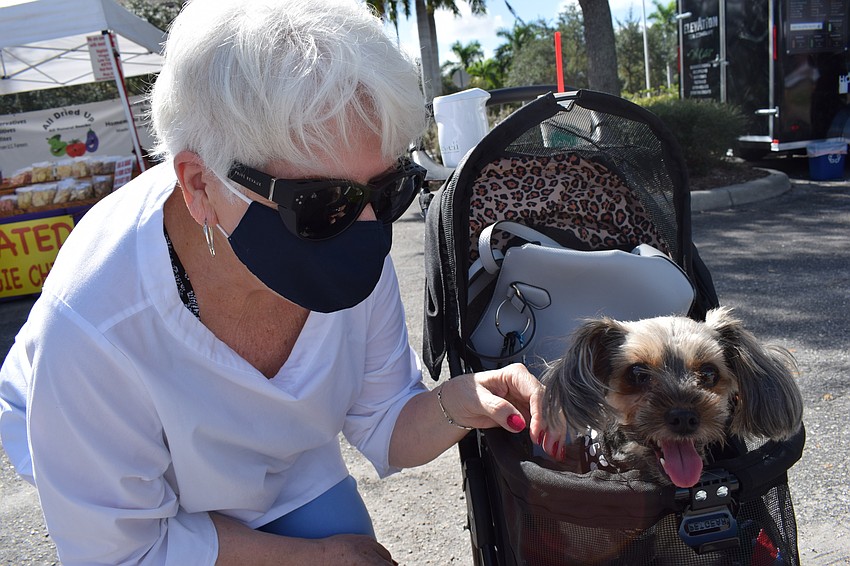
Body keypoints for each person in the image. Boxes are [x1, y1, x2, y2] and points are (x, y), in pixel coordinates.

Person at [0, 0, 555, 564]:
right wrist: (318, 558)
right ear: (199, 185)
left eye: (388, 190)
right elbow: (124, 551)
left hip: (280, 465)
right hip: (117, 476)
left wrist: (460, 403)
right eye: (319, 203)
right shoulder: (91, 325)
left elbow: (385, 421)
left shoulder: (348, 229)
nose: (367, 230)